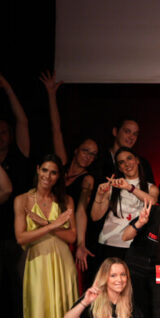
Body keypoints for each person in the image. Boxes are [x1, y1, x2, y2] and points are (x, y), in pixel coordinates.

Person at [13, 155, 80, 318]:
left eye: (53, 172)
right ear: (37, 170)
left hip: (63, 264)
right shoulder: (22, 200)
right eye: (44, 170)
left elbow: (72, 238)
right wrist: (53, 226)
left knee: (64, 314)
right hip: (38, 264)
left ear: (58, 176)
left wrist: (42, 222)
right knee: (37, 316)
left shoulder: (65, 200)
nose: (47, 176)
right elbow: (21, 238)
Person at [40, 70, 101, 276]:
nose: (88, 156)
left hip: (67, 234)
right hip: (44, 228)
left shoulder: (88, 179)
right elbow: (56, 129)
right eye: (85, 151)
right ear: (76, 150)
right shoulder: (60, 167)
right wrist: (51, 95)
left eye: (93, 154)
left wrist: (81, 243)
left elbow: (81, 210)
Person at [90, 147, 160, 263]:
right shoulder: (112, 187)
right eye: (121, 162)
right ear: (119, 168)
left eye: (129, 158)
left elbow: (152, 202)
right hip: (110, 243)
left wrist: (129, 187)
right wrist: (99, 195)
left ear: (137, 160)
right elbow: (95, 217)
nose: (127, 164)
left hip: (136, 245)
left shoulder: (150, 188)